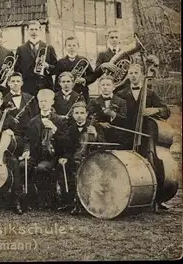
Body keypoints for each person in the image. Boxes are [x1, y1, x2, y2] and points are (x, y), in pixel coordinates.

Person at [117, 64, 172, 210]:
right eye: (131, 73)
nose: (133, 76)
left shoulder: (151, 93)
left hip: (147, 136)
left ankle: (158, 199)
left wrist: (154, 110)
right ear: (128, 75)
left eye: (136, 73)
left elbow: (166, 111)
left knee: (155, 165)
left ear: (141, 75)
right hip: (128, 134)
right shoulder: (122, 94)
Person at [21, 89, 68, 210]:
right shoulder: (33, 121)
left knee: (42, 168)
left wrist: (54, 129)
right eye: (41, 101)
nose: (43, 103)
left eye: (46, 101)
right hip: (36, 154)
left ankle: (47, 199)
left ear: (52, 102)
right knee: (23, 165)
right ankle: (32, 197)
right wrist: (26, 150)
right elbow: (27, 139)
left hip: (52, 155)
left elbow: (66, 141)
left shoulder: (60, 120)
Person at [57, 101, 104, 215]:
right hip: (74, 157)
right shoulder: (69, 127)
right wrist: (63, 157)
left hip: (91, 157)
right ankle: (69, 202)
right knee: (65, 168)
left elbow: (103, 143)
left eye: (82, 113)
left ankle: (86, 202)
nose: (79, 115)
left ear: (87, 114)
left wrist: (96, 135)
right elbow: (66, 146)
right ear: (72, 114)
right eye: (76, 113)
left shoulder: (95, 126)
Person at [14, 20, 57, 95]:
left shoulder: (49, 47)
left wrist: (47, 66)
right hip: (27, 87)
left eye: (36, 29)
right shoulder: (21, 49)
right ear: (27, 30)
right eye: (31, 29)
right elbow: (17, 69)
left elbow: (56, 68)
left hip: (45, 85)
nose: (34, 32)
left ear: (40, 30)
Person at [87, 75, 128, 148]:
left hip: (116, 138)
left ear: (114, 87)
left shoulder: (121, 102)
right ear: (100, 87)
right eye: (103, 85)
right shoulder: (93, 102)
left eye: (108, 85)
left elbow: (124, 120)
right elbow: (89, 119)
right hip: (99, 137)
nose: (105, 87)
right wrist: (100, 123)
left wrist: (113, 115)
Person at [53, 36, 95, 102]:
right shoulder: (60, 62)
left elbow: (92, 75)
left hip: (81, 92)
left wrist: (84, 79)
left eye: (74, 45)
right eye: (69, 45)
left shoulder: (83, 60)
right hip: (66, 93)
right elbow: (57, 81)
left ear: (78, 46)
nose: (71, 47)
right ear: (65, 47)